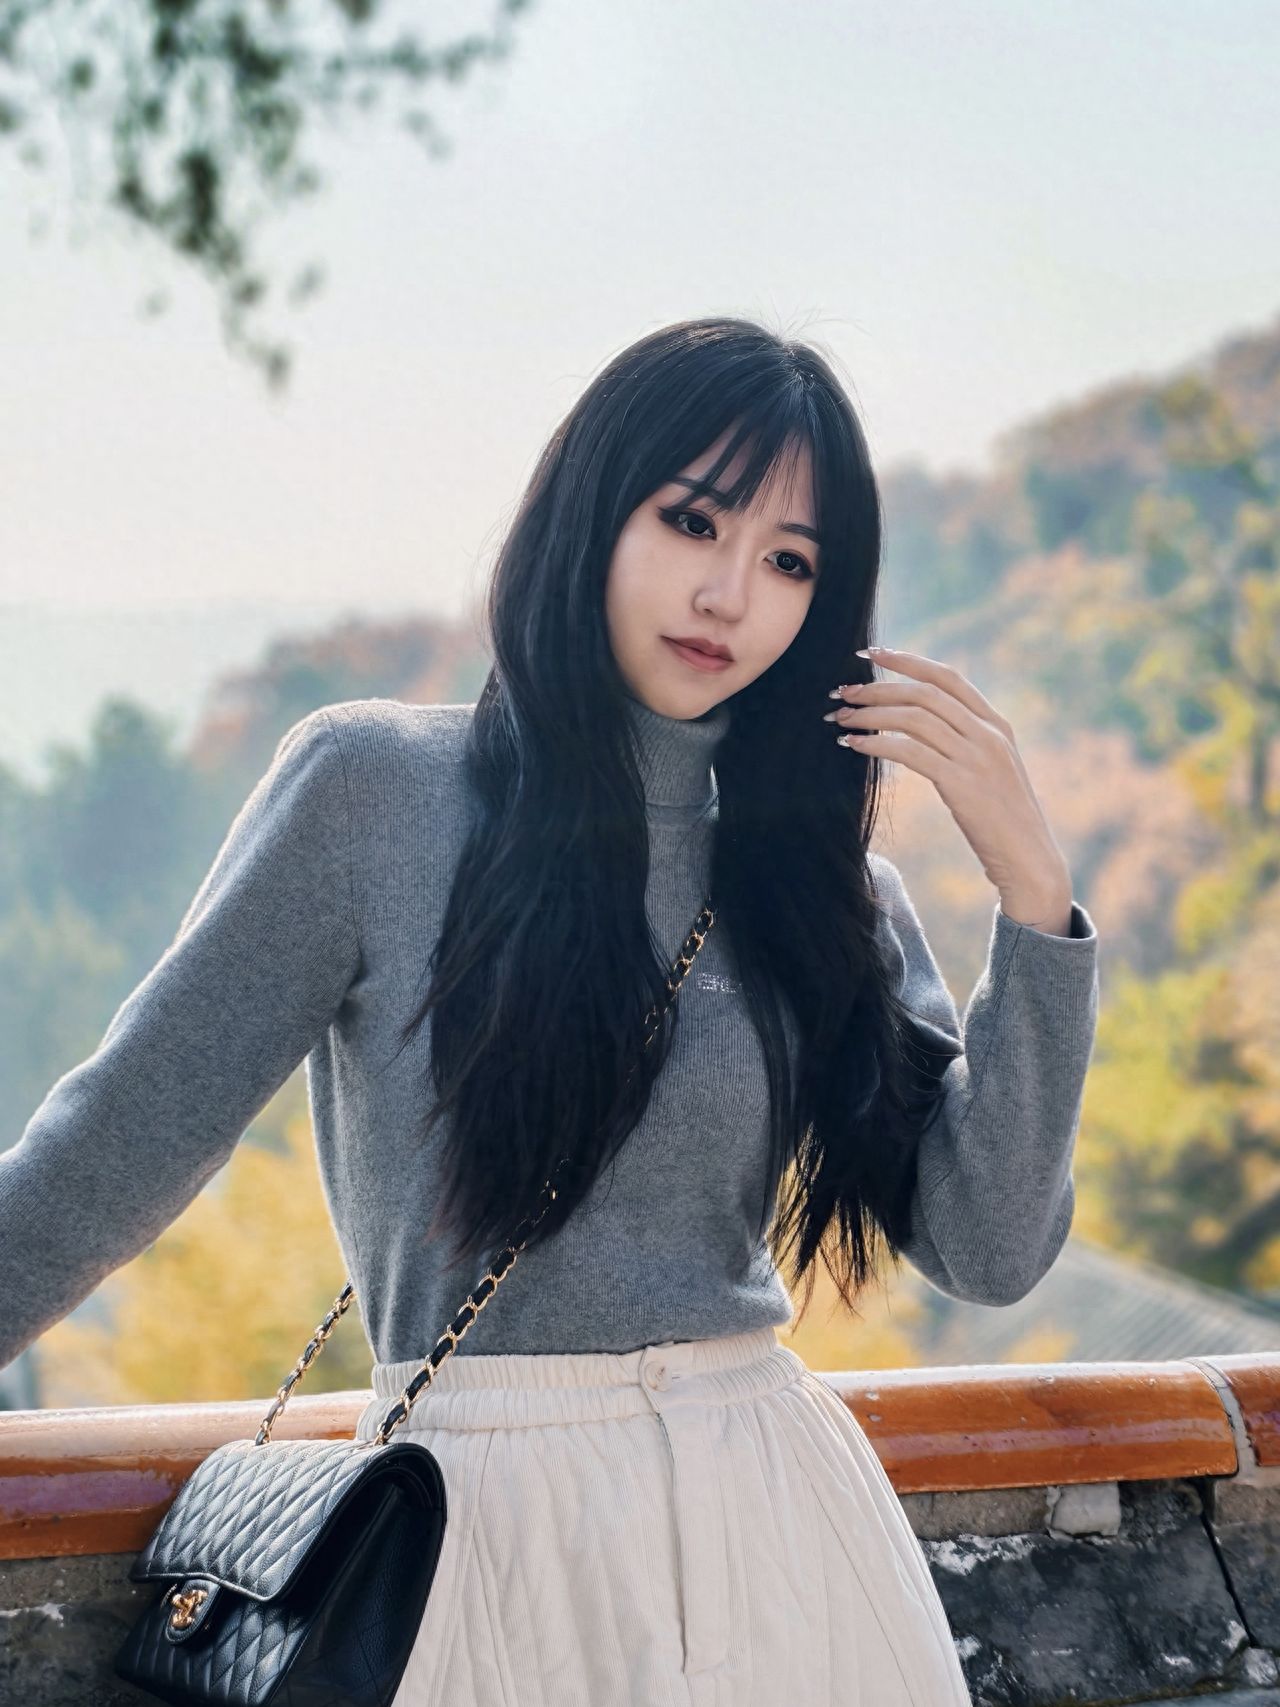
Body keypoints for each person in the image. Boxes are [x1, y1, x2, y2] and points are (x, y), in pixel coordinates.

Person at [0, 316, 1099, 1705]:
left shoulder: (828, 890)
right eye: (691, 520)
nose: (729, 594)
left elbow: (990, 1244)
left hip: (781, 1527)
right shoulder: (372, 794)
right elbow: (122, 1140)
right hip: (477, 1533)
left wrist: (1036, 904)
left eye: (789, 562)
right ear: (593, 510)